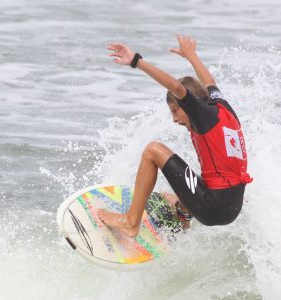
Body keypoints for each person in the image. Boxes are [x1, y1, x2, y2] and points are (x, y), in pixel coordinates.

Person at [97, 35, 253, 238]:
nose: (174, 119)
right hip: (231, 205)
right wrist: (191, 55)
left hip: (213, 207)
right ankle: (182, 215)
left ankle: (130, 222)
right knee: (177, 192)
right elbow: (210, 82)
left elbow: (177, 88)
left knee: (153, 150)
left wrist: (136, 61)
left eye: (174, 110)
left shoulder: (202, 115)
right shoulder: (221, 107)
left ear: (191, 104)